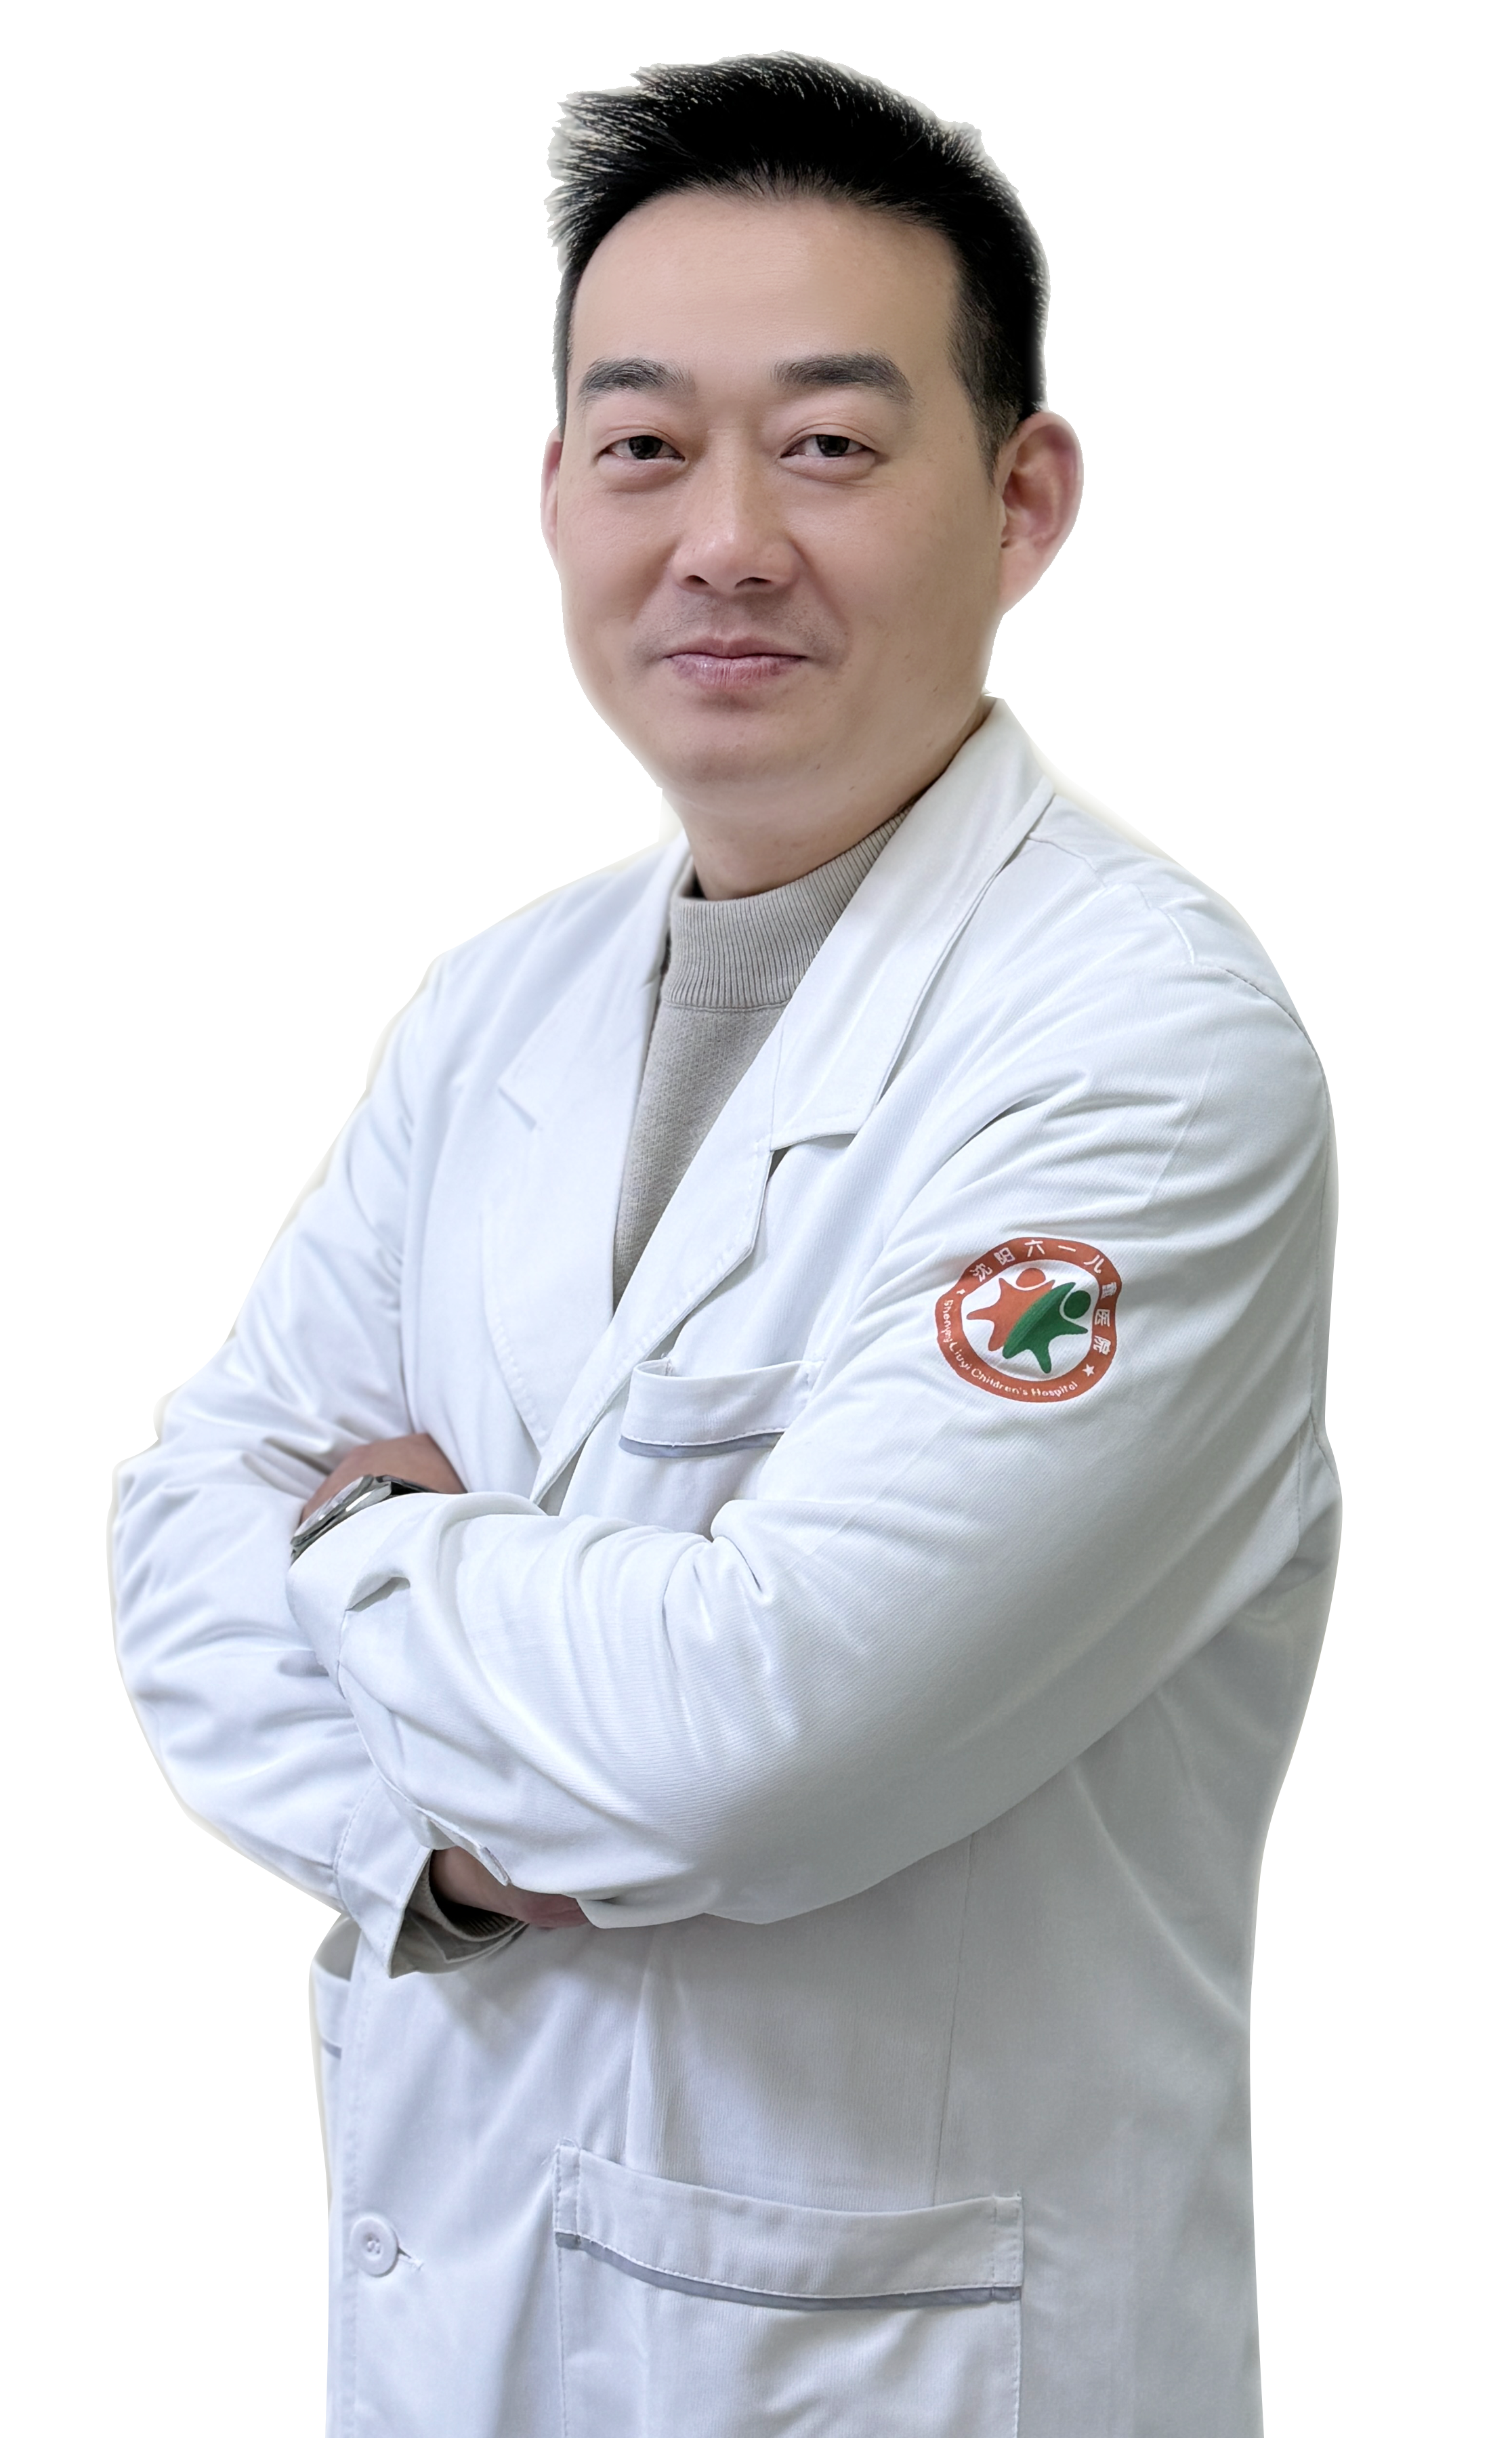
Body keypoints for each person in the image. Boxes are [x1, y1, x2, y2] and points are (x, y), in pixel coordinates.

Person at [112, 51, 1339, 2438]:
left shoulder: (1146, 1052)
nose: (728, 538)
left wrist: (364, 1536)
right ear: (557, 491)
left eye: (834, 443)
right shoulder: (500, 1007)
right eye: (647, 443)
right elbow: (178, 1540)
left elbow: (756, 1740)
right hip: (469, 2318)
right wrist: (452, 1846)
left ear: (1022, 495)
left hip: (904, 2365)